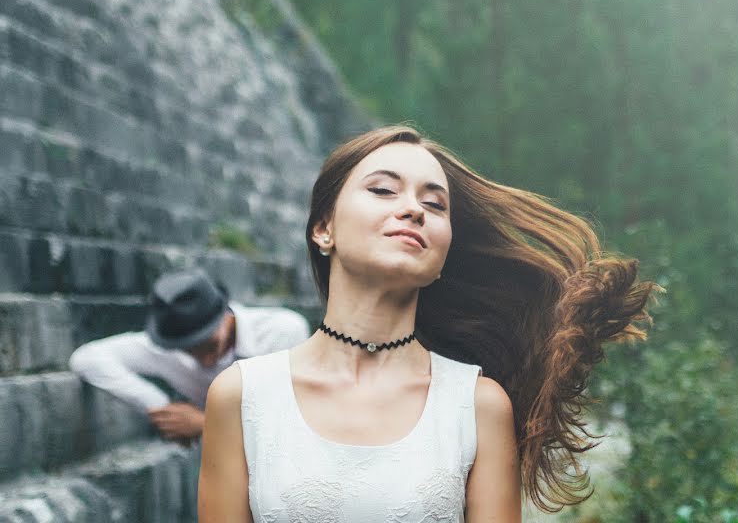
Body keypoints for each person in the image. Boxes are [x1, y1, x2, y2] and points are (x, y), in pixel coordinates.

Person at [198, 125, 663, 522]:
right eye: (383, 190)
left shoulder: (477, 405)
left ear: (441, 256)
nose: (415, 209)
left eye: (436, 205)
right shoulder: (243, 396)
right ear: (324, 228)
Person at [68, 267, 311, 446]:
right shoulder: (166, 347)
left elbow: (294, 422)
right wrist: (163, 407)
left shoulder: (281, 332)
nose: (203, 359)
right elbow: (87, 359)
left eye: (207, 344)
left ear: (225, 316)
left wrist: (205, 423)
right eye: (188, 348)